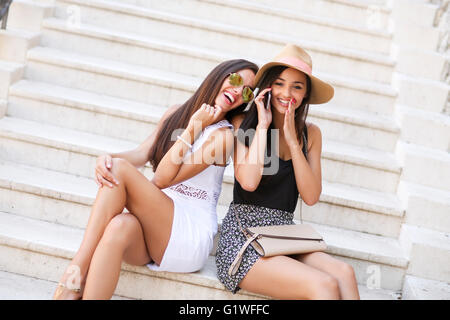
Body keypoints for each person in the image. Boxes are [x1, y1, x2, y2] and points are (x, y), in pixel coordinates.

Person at [53, 59, 258, 300]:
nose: (236, 91)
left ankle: (76, 270)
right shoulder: (175, 113)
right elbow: (141, 154)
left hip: (188, 232)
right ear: (219, 75)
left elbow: (162, 179)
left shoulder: (222, 137)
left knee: (120, 171)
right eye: (234, 80)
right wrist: (107, 157)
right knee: (118, 226)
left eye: (246, 91)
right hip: (157, 225)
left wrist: (193, 128)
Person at [215, 44, 360, 300]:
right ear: (268, 86)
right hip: (243, 237)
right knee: (324, 285)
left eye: (297, 86)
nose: (287, 93)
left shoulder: (310, 134)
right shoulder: (244, 123)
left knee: (345, 273)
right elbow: (248, 182)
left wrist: (294, 142)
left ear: (305, 95)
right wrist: (263, 126)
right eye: (280, 84)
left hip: (284, 236)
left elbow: (311, 196)